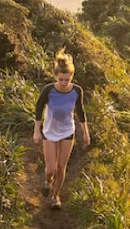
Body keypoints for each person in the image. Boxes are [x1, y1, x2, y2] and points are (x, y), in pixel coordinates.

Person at [33, 48, 90, 210]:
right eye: (61, 79)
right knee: (50, 169)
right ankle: (48, 181)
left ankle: (55, 196)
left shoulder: (77, 91)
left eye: (67, 79)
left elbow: (80, 112)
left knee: (60, 167)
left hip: (67, 132)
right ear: (55, 77)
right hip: (49, 131)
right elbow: (38, 109)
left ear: (71, 76)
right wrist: (36, 131)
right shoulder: (48, 90)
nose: (64, 83)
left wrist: (85, 133)